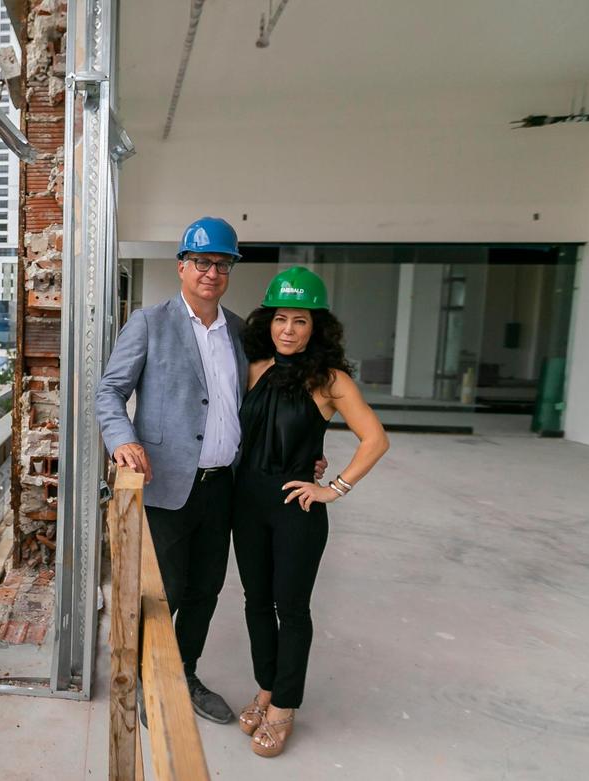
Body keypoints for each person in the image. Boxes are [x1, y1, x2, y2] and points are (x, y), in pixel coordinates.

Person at [96, 216, 248, 723]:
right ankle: (140, 677)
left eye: (221, 264)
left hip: (223, 486)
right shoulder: (148, 323)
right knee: (163, 590)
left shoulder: (241, 332)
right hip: (166, 484)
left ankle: (186, 672)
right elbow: (109, 392)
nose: (211, 272)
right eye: (202, 261)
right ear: (182, 266)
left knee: (206, 588)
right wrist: (123, 441)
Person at [232, 267, 389, 758]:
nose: (288, 330)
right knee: (255, 603)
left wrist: (332, 487)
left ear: (315, 326)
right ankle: (266, 687)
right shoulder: (252, 366)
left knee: (291, 609)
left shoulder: (330, 380)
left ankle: (284, 707)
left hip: (295, 509)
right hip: (246, 504)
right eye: (281, 318)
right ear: (268, 321)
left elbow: (376, 439)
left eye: (300, 321)